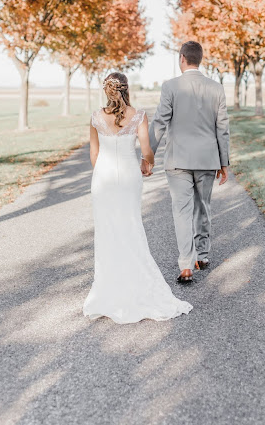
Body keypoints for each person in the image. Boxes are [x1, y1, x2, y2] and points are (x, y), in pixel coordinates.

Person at [83, 72, 192, 324]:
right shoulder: (139, 116)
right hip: (130, 177)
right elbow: (147, 151)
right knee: (130, 227)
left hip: (103, 179)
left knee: (107, 231)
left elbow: (94, 153)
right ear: (126, 89)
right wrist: (147, 165)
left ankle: (108, 291)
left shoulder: (96, 117)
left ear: (106, 91)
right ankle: (135, 285)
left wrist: (101, 174)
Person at [144, 41, 230, 284]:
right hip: (207, 159)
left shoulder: (170, 86)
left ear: (182, 58)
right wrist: (224, 163)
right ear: (199, 59)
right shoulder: (217, 88)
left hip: (178, 160)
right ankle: (202, 255)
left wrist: (148, 156)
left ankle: (186, 265)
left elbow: (160, 122)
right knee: (203, 206)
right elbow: (222, 128)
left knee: (181, 212)